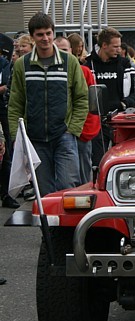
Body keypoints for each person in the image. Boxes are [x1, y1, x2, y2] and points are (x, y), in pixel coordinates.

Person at [8, 12, 88, 197]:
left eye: (48, 33)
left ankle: (68, 227)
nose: (45, 38)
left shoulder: (70, 62)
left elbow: (82, 98)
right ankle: (49, 228)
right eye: (40, 34)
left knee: (68, 188)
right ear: (33, 37)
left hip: (64, 136)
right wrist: (16, 136)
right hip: (35, 139)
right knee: (44, 194)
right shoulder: (22, 64)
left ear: (53, 33)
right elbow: (15, 104)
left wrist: (73, 129)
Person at [84, 26, 135, 166]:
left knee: (123, 161)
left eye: (119, 46)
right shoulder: (88, 63)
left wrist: (124, 104)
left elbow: (134, 92)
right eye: (115, 47)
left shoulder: (124, 64)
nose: (119, 50)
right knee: (98, 161)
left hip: (120, 119)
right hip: (97, 120)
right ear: (104, 45)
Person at [55, 36, 100, 184]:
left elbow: (89, 103)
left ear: (71, 50)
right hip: (52, 133)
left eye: (64, 50)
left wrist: (80, 130)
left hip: (79, 132)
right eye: (57, 50)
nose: (61, 53)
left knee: (82, 176)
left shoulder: (84, 72)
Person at [0, 49, 20, 208]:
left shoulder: (4, 64)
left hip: (3, 112)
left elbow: (6, 87)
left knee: (5, 152)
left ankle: (7, 194)